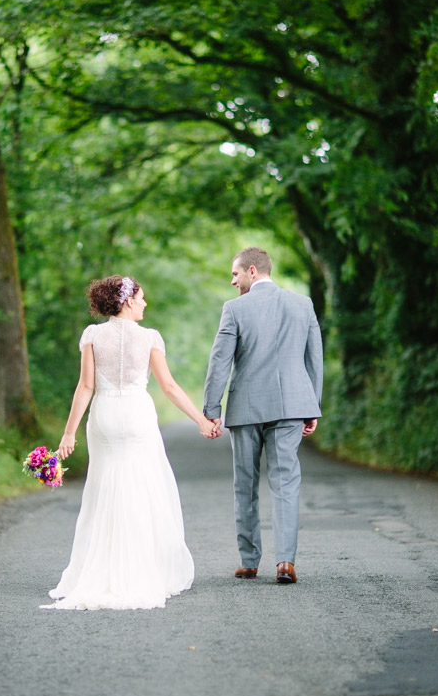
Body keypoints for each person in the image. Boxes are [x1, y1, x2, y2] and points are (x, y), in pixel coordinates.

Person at [41, 275, 217, 611]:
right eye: (142, 298)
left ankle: (101, 567)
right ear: (128, 301)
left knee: (104, 486)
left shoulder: (92, 335)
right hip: (137, 415)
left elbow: (85, 387)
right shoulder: (150, 338)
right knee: (143, 487)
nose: (145, 304)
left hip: (104, 415)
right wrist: (201, 420)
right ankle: (141, 568)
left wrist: (68, 433)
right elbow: (169, 387)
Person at [203, 247, 323, 585]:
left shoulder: (235, 309)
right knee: (286, 482)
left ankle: (249, 560)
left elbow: (219, 363)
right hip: (291, 407)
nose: (232, 281)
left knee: (245, 483)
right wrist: (312, 405)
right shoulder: (303, 304)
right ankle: (285, 562)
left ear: (252, 271)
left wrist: (212, 410)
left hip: (246, 408)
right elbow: (315, 359)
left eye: (235, 274)